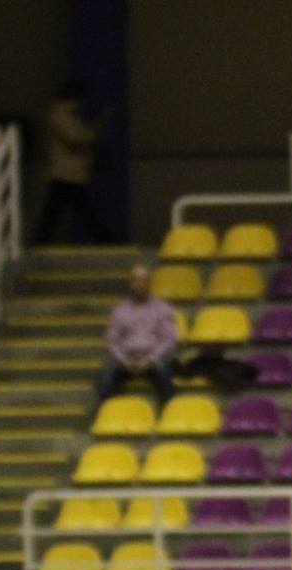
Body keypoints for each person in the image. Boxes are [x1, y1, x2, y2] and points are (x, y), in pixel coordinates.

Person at [96, 263, 178, 411]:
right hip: (126, 359)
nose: (139, 284)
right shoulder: (120, 310)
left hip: (153, 358)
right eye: (135, 280)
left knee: (166, 374)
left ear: (150, 283)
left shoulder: (162, 308)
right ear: (130, 283)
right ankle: (102, 417)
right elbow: (112, 341)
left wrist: (150, 359)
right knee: (106, 377)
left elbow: (168, 340)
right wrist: (123, 360)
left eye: (143, 280)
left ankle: (170, 415)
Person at [35, 80, 107, 245]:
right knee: (81, 211)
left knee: (55, 211)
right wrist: (95, 132)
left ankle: (40, 241)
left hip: (67, 172)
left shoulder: (66, 115)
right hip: (66, 172)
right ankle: (104, 239)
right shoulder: (62, 116)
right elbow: (74, 138)